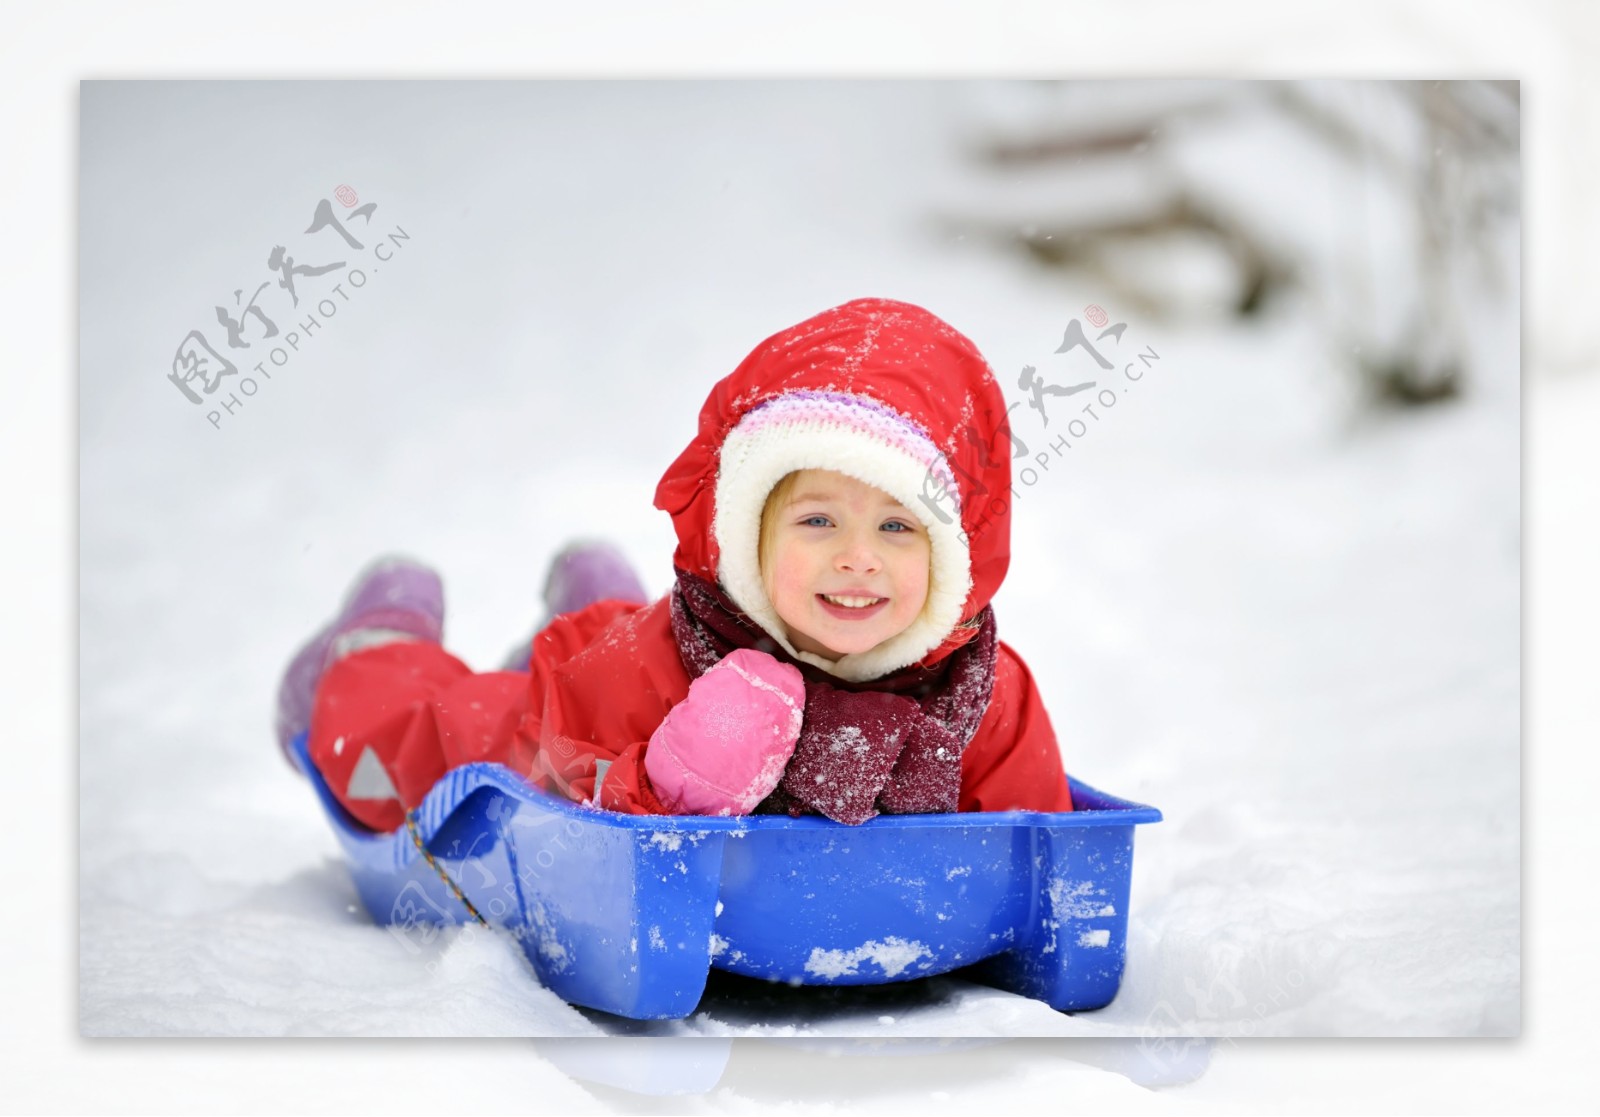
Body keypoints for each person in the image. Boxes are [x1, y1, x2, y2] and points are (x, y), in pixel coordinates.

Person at [274, 297, 1074, 832]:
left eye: (898, 525)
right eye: (818, 519)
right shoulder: (661, 663)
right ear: (748, 534)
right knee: (404, 757)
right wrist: (673, 786)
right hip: (560, 704)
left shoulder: (984, 693)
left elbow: (1036, 838)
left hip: (613, 654)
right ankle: (378, 644)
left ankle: (597, 593)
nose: (857, 558)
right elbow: (558, 812)